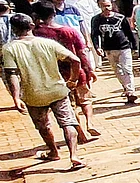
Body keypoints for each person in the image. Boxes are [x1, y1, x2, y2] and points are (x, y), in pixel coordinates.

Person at [3, 13, 84, 169]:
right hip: (58, 90)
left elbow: (11, 74)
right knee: (68, 122)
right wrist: (73, 80)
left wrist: (16, 98)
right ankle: (74, 155)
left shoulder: (9, 48)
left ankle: (53, 151)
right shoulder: (47, 43)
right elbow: (75, 60)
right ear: (32, 26)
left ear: (13, 29)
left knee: (43, 126)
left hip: (33, 94)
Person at [31, 1, 101, 139]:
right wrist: (89, 69)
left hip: (55, 74)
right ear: (54, 13)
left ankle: (80, 133)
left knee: (70, 105)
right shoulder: (69, 31)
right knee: (85, 100)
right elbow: (81, 53)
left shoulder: (36, 34)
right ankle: (89, 123)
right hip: (76, 70)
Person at [90, 0, 138, 102]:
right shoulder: (96, 19)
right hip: (109, 49)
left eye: (108, 5)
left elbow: (129, 32)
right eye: (104, 6)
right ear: (99, 7)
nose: (107, 8)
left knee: (127, 69)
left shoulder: (120, 18)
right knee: (117, 70)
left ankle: (130, 91)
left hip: (123, 47)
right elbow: (94, 34)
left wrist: (134, 46)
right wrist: (97, 47)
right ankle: (126, 86)